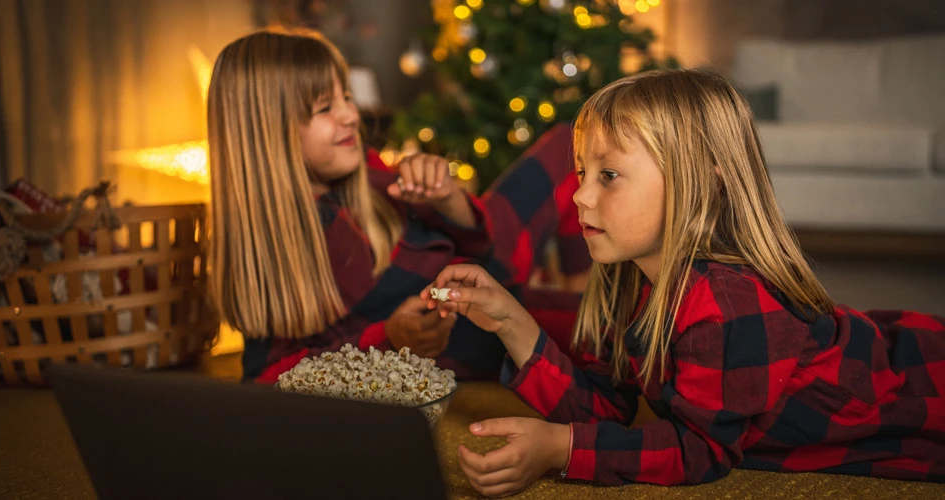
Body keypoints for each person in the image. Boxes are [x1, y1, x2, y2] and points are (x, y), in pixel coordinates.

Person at [422, 68, 945, 497]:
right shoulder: (631, 279)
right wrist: (511, 321)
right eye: (582, 172)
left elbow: (701, 452)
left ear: (700, 179)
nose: (579, 196)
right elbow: (606, 408)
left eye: (608, 175)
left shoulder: (726, 301)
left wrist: (562, 449)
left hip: (920, 386)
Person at [205, 28, 589, 383]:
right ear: (267, 131)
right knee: (615, 332)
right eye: (325, 108)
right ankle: (584, 298)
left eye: (348, 98)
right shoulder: (282, 242)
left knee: (576, 143)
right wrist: (388, 338)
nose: (352, 116)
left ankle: (584, 287)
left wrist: (447, 198)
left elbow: (474, 244)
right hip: (476, 326)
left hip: (487, 268)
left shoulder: (363, 172)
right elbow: (268, 378)